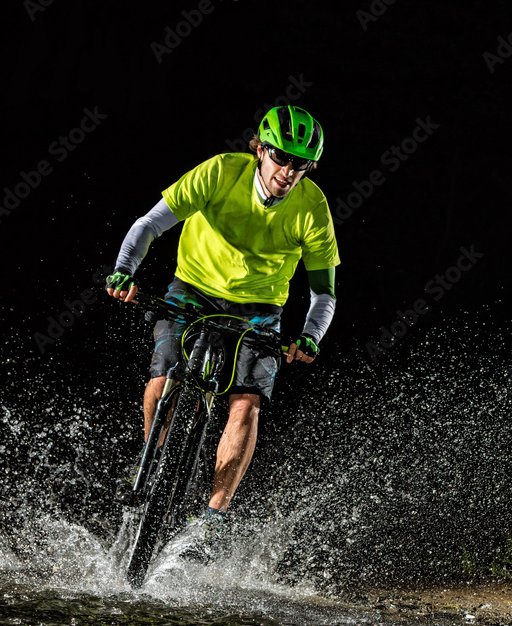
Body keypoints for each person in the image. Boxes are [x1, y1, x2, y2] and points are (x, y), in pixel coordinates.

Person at [105, 105, 339, 552]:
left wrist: (310, 336)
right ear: (260, 150)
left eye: (301, 164)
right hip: (192, 289)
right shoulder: (220, 172)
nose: (288, 172)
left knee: (246, 404)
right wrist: (123, 270)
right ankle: (150, 458)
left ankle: (213, 519)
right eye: (281, 158)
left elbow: (323, 293)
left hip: (260, 308)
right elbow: (150, 224)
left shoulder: (313, 208)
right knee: (162, 378)